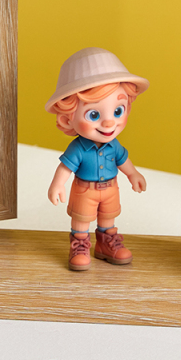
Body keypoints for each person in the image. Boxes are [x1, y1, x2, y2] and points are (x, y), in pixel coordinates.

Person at [45, 47, 149, 270]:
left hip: (111, 188)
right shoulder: (78, 148)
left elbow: (123, 160)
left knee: (108, 217)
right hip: (85, 190)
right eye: (93, 114)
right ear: (68, 118)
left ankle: (106, 244)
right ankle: (80, 245)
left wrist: (133, 174)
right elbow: (65, 167)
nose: (109, 122)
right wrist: (57, 184)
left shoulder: (114, 145)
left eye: (118, 111)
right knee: (81, 219)